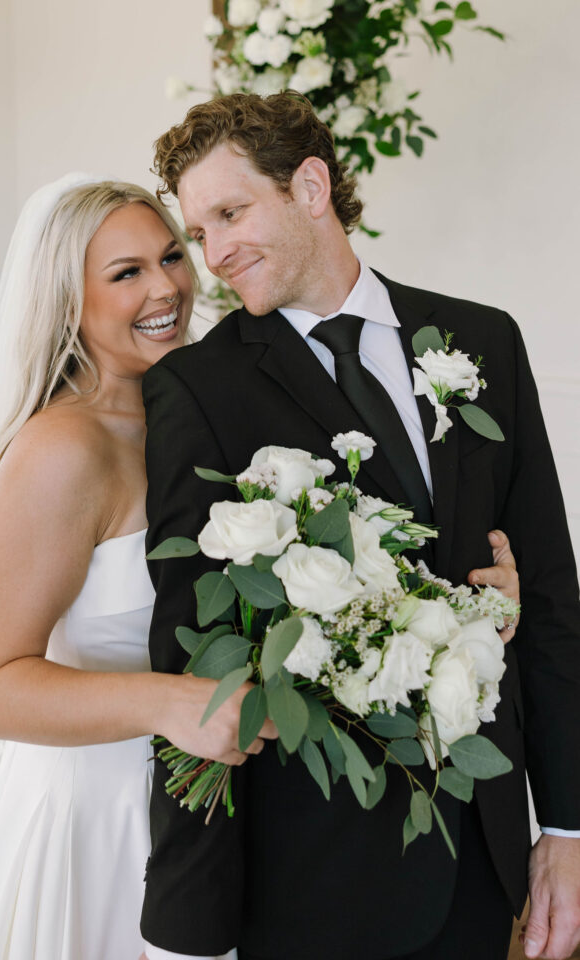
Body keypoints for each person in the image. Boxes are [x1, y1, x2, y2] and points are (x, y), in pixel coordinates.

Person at [140, 93, 580, 960]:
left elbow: (555, 601)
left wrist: (567, 825)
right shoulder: (198, 389)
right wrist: (191, 926)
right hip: (316, 876)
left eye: (230, 213)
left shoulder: (484, 341)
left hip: (484, 852)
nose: (215, 255)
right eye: (199, 234)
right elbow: (191, 662)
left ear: (310, 186)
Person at [0, 175, 270, 960]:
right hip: (99, 826)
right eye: (126, 274)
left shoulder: (194, 408)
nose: (168, 288)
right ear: (67, 303)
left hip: (210, 813)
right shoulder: (61, 452)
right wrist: (169, 703)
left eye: (171, 257)